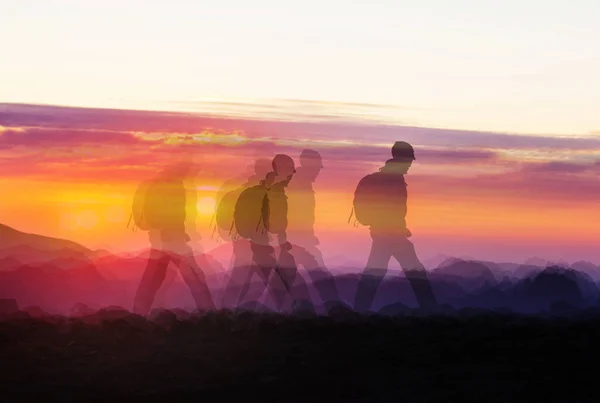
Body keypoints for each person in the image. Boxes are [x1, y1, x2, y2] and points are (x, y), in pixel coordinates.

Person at [352, 141, 438, 313]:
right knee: (415, 271)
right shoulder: (393, 179)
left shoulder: (388, 177)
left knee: (376, 271)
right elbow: (393, 209)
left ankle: (359, 310)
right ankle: (431, 311)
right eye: (409, 161)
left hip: (384, 232)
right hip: (391, 234)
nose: (410, 166)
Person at [131, 159, 215, 316]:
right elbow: (159, 212)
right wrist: (170, 231)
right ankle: (210, 314)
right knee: (194, 276)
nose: (190, 174)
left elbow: (170, 213)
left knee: (152, 280)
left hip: (164, 239)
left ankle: (138, 314)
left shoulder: (166, 184)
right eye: (188, 170)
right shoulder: (169, 186)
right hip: (171, 240)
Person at [231, 154, 307, 312]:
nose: (293, 174)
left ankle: (232, 318)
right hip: (260, 248)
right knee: (278, 292)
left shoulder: (277, 193)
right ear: (280, 170)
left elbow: (278, 224)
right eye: (290, 170)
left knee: (250, 290)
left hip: (267, 248)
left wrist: (283, 242)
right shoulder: (267, 193)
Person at [286, 149, 341, 313]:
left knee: (310, 278)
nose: (318, 172)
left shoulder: (300, 183)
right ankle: (330, 310)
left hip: (300, 241)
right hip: (296, 242)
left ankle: (311, 310)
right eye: (317, 168)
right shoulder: (297, 184)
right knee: (317, 278)